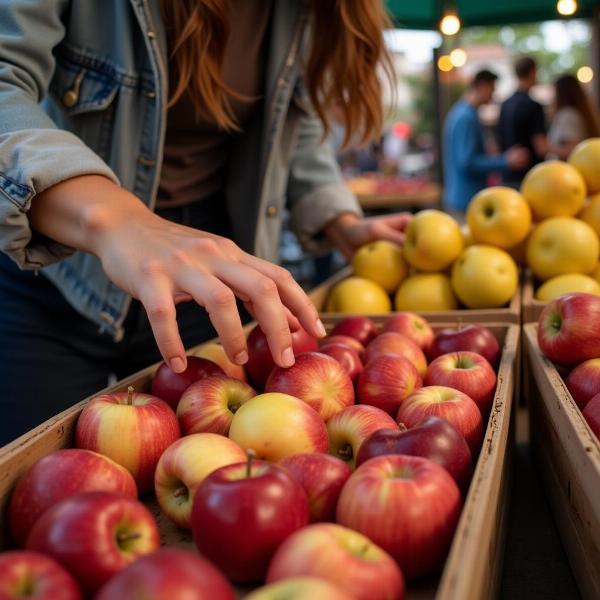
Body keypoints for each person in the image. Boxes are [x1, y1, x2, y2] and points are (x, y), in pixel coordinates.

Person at [0, 1, 412, 444]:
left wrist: (340, 220)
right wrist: (114, 218)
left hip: (210, 277)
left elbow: (293, 125)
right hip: (54, 267)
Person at [442, 70, 529, 213]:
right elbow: (467, 162)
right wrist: (505, 161)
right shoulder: (466, 117)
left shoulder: (464, 113)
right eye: (492, 89)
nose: (493, 95)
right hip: (466, 200)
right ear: (482, 86)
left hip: (463, 198)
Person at [498, 56, 547, 186]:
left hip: (507, 174)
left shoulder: (505, 104)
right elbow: (541, 147)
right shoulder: (534, 106)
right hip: (531, 177)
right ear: (532, 72)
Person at [547, 74, 600, 160]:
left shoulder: (567, 115)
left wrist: (546, 147)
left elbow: (572, 150)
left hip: (564, 170)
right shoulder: (578, 113)